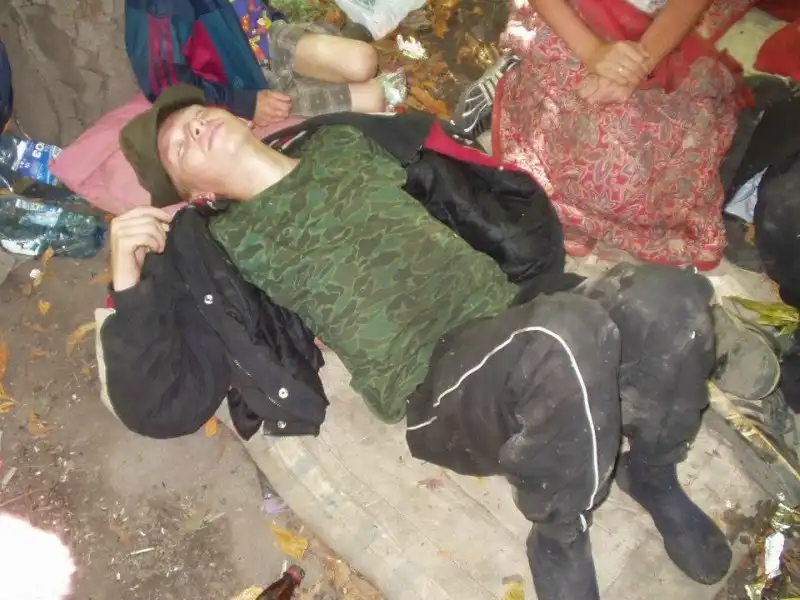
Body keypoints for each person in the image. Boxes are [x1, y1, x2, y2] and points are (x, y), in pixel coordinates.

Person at [102, 84, 735, 599]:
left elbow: (459, 185)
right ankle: (559, 534)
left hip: (518, 313)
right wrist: (127, 282)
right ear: (193, 194)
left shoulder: (342, 141)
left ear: (240, 118)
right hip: (437, 383)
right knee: (566, 335)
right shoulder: (219, 243)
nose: (195, 129)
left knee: (675, 299)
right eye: (179, 145)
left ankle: (653, 472)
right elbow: (159, 405)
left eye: (199, 116)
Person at [483, 0, 748, 268]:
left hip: (654, 29)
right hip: (577, 17)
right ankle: (522, 79)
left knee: (636, 182)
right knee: (588, 158)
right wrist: (593, 52)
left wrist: (636, 65)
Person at [124, 0, 402, 127]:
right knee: (374, 97)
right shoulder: (155, 5)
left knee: (363, 60)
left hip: (268, 39)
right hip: (239, 83)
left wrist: (276, 20)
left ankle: (334, 53)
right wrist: (244, 104)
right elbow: (166, 87)